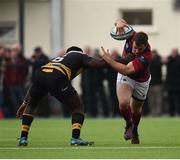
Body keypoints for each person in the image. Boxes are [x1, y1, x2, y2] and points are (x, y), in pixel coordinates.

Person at [16, 46, 106, 146]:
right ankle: (75, 138)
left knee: (31, 105)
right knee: (78, 107)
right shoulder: (79, 55)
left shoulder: (59, 59)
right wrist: (111, 60)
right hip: (57, 77)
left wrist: (25, 102)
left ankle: (23, 138)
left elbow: (33, 84)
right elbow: (98, 64)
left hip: (40, 75)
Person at [101, 19, 152, 144]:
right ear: (133, 41)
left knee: (136, 110)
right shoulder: (132, 35)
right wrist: (118, 23)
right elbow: (120, 21)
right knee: (123, 103)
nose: (135, 50)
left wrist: (109, 61)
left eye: (139, 49)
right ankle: (128, 124)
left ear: (145, 46)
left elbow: (126, 70)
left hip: (140, 80)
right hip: (127, 78)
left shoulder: (146, 56)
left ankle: (135, 130)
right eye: (134, 47)